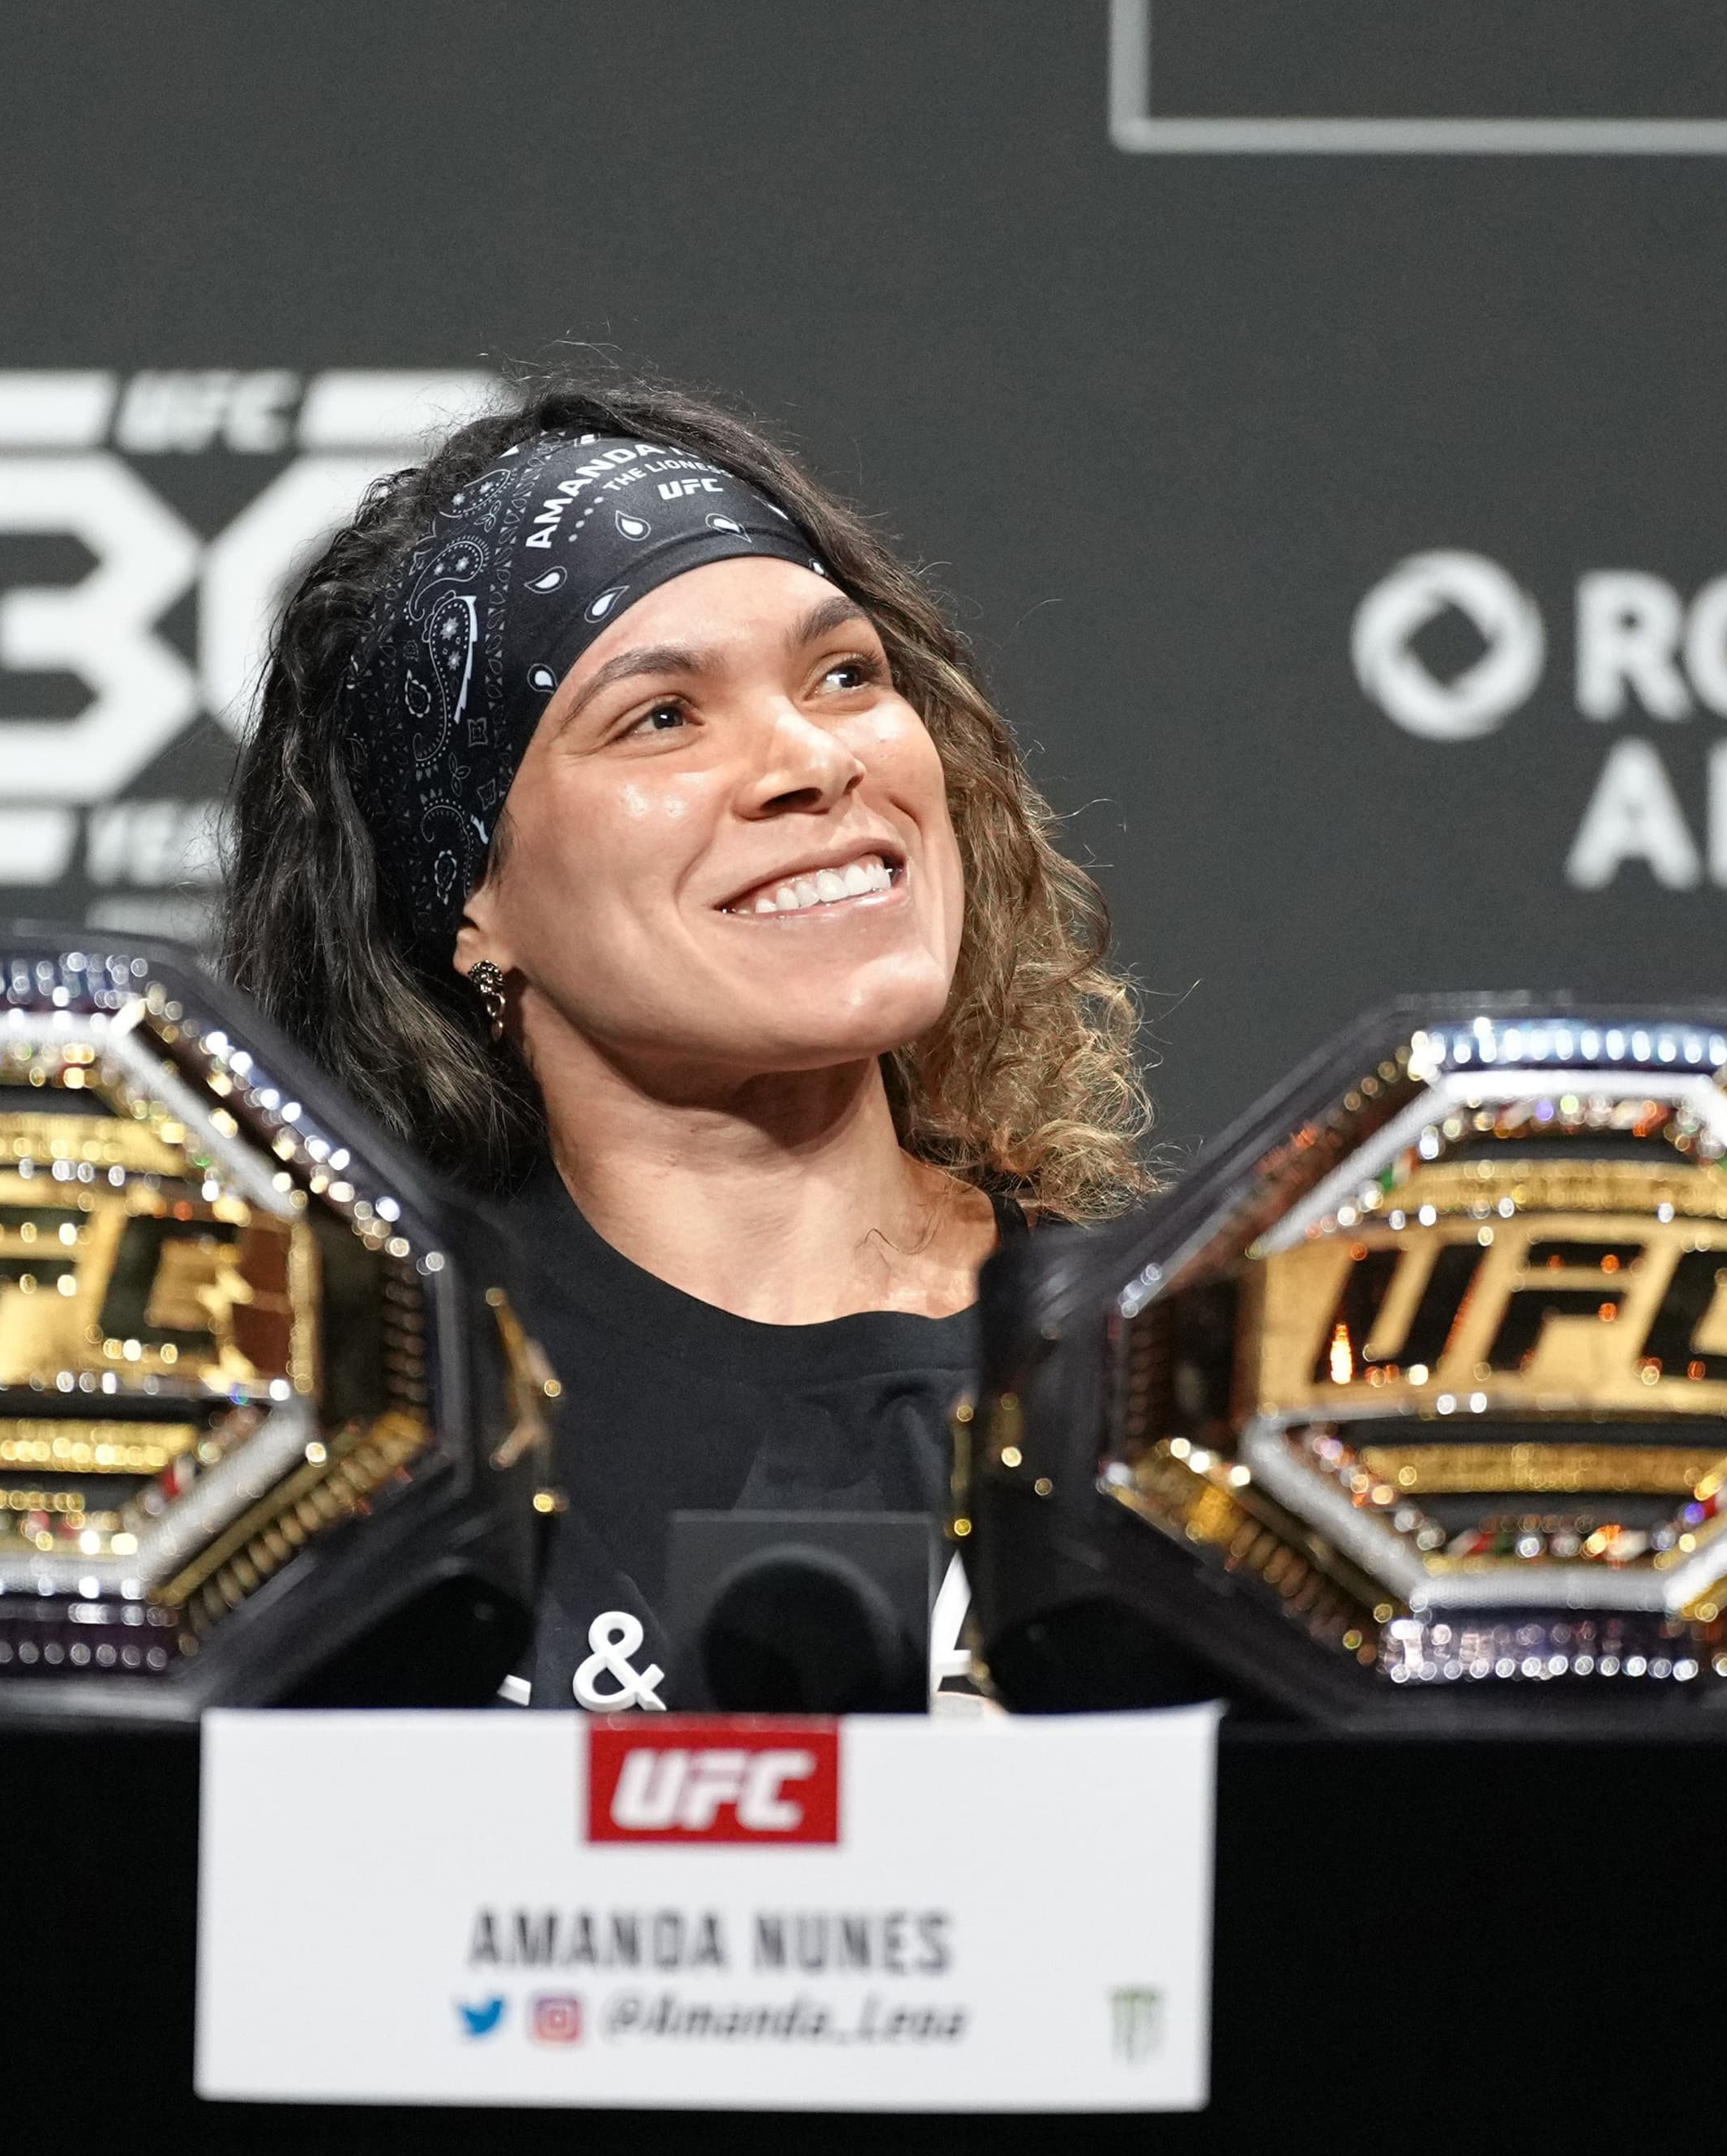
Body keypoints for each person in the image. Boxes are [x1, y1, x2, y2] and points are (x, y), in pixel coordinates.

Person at [220, 371, 1151, 1709]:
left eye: (845, 676)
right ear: (470, 896)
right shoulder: (339, 1453)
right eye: (661, 717)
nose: (814, 760)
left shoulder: (1164, 1409)